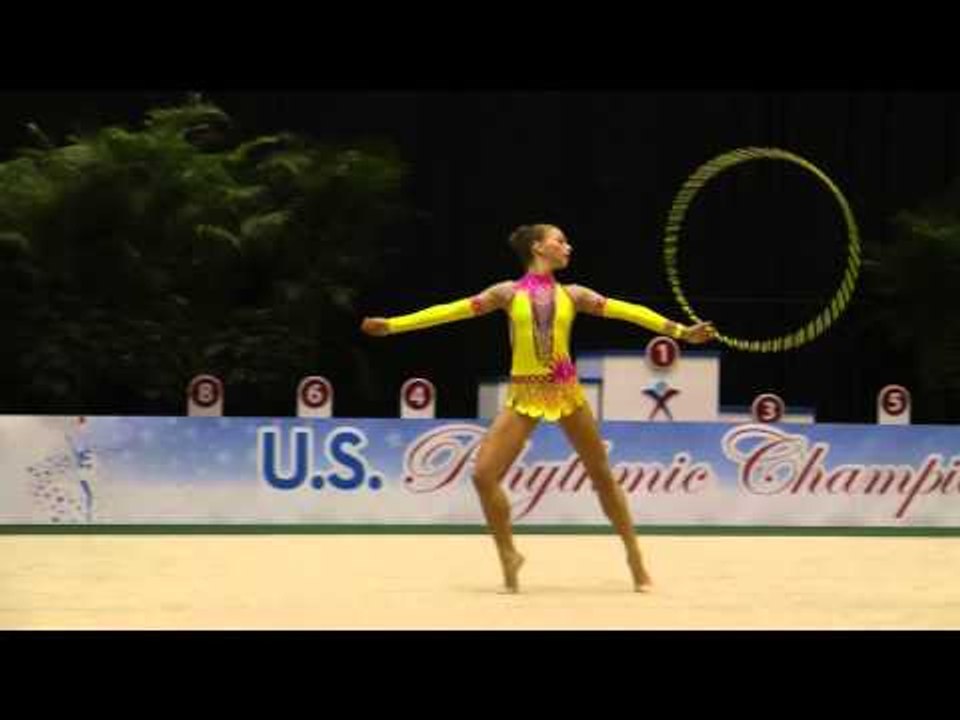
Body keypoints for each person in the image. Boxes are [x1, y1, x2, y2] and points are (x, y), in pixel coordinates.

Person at [362, 224, 716, 592]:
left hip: (565, 393)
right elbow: (451, 311)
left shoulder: (574, 295)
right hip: (524, 396)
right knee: (483, 475)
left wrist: (679, 332)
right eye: (559, 240)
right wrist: (393, 326)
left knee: (602, 478)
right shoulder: (507, 293)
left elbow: (629, 311)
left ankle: (635, 557)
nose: (568, 246)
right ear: (537, 247)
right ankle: (509, 555)